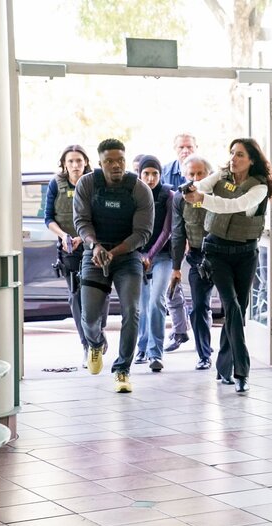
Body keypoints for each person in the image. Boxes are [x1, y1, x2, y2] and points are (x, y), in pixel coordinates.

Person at [181, 138, 272, 393]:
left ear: (252, 160)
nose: (233, 158)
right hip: (216, 251)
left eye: (240, 154)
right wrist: (193, 188)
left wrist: (201, 199)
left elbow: (235, 206)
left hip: (246, 254)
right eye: (232, 153)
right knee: (231, 305)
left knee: (237, 310)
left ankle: (223, 366)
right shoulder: (221, 176)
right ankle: (241, 370)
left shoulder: (260, 188)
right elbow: (201, 184)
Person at [74, 138, 154, 393]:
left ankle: (122, 370)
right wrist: (95, 246)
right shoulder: (87, 184)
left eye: (120, 160)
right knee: (89, 317)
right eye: (110, 161)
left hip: (127, 254)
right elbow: (81, 220)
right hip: (94, 252)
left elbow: (142, 232)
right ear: (100, 163)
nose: (116, 165)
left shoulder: (140, 189)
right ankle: (96, 344)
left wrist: (115, 251)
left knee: (132, 311)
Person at [45, 144, 106, 368]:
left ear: (86, 162)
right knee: (76, 297)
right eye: (70, 161)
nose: (75, 165)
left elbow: (101, 215)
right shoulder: (56, 183)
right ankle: (87, 345)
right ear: (64, 164)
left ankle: (98, 335)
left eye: (79, 161)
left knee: (99, 293)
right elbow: (48, 217)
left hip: (91, 244)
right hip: (68, 247)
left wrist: (85, 237)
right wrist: (63, 236)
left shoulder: (94, 182)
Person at [170, 154, 215, 370]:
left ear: (209, 175)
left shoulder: (218, 193)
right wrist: (176, 267)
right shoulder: (179, 198)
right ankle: (204, 355)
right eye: (191, 174)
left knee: (232, 307)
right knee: (198, 307)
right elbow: (178, 234)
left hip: (223, 255)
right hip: (197, 257)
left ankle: (231, 355)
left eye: (200, 173)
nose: (196, 178)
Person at [133, 155, 174, 372]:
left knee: (156, 300)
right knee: (140, 304)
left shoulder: (168, 195)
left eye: (154, 174)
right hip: (137, 255)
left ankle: (155, 353)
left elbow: (167, 230)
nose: (150, 178)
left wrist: (150, 254)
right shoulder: (133, 194)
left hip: (162, 256)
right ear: (139, 175)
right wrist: (139, 254)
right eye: (146, 174)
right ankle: (142, 347)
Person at [161, 134, 197, 351]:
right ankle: (179, 330)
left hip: (196, 241)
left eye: (189, 146)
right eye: (181, 147)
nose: (185, 150)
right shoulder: (164, 172)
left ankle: (202, 337)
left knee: (198, 289)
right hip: (171, 240)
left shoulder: (202, 169)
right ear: (175, 149)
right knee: (172, 288)